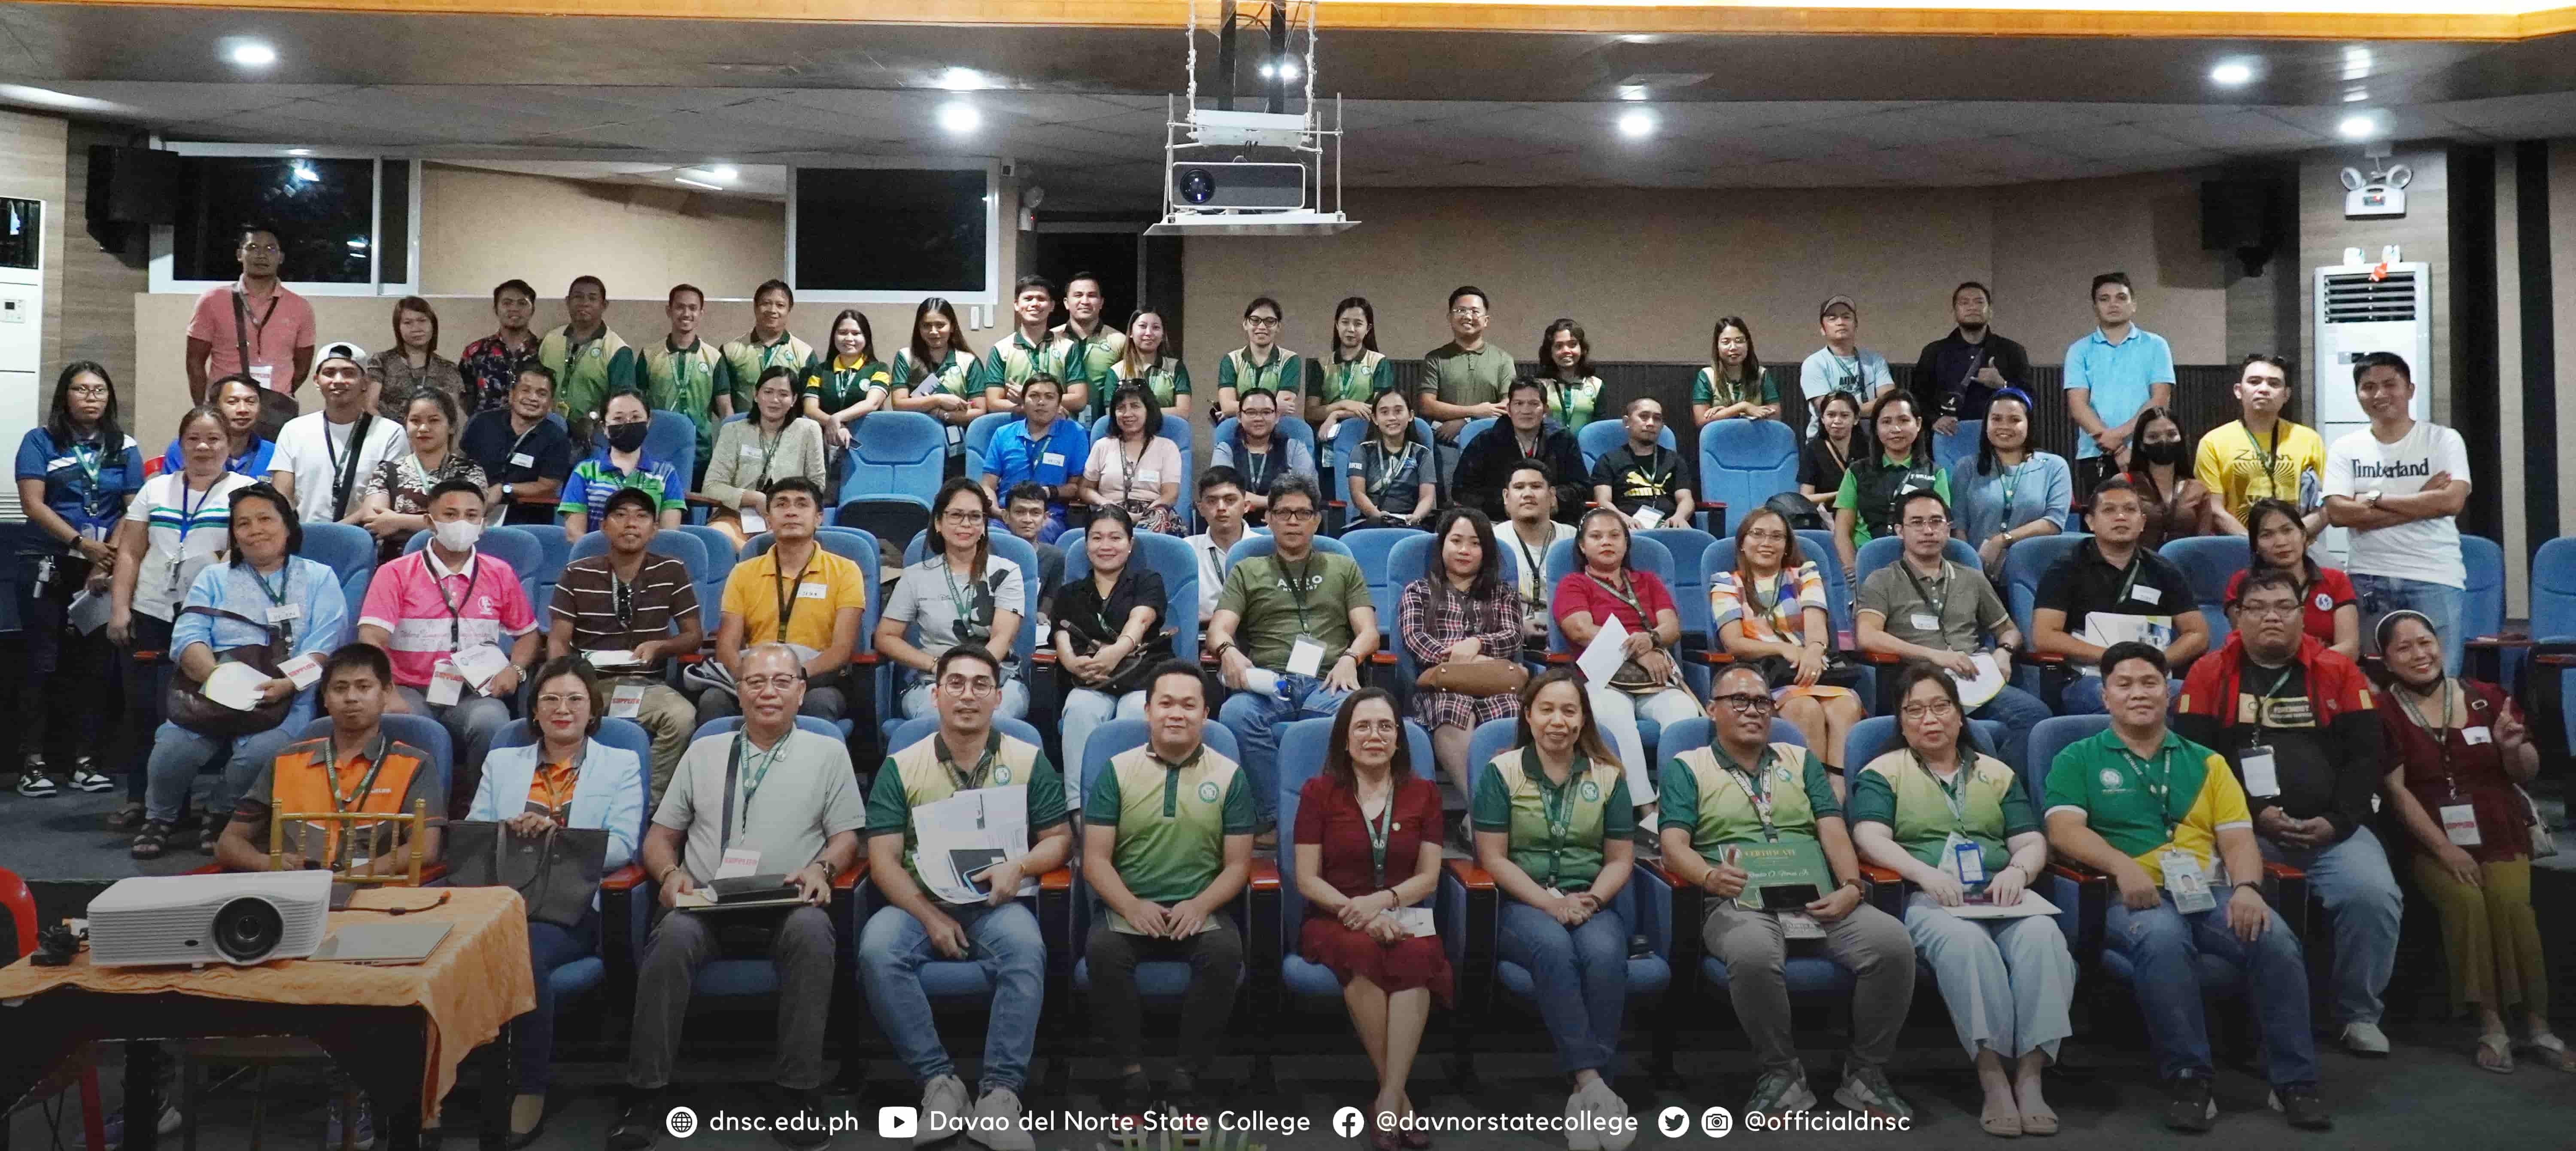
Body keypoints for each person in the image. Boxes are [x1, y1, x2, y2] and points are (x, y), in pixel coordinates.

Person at [2043, 642, 2329, 1133]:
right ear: (2105, 696)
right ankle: (2189, 1077)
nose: (2138, 693)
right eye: (2125, 684)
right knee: (2161, 938)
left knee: (2274, 936)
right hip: (2128, 896)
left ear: (2168, 694)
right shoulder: (2078, 757)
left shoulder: (2208, 762)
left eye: (2150, 682)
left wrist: (2247, 888)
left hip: (2209, 890)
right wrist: (2120, 866)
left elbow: (2238, 838)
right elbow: (2064, 830)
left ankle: (2295, 1081)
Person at [609, 643, 860, 1151]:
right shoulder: (704, 750)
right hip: (706, 902)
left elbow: (848, 837)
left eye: (782, 681)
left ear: (802, 690)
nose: (769, 691)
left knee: (814, 931)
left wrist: (823, 867)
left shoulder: (828, 751)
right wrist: (669, 873)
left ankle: (799, 1092)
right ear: (739, 691)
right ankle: (647, 1093)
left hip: (786, 901)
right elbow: (660, 837)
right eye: (756, 681)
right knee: (673, 934)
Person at [1661, 663, 1916, 1122]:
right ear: (1713, 710)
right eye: (1739, 701)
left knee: (1892, 943)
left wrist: (1853, 887)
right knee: (1753, 950)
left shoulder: (1800, 760)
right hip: (1737, 898)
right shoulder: (1689, 766)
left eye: (1761, 701)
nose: (1752, 710)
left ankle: (1865, 1073)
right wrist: (1706, 876)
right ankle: (1781, 1073)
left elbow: (1833, 828)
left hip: (1816, 899)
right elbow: (1673, 845)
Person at [2176, 567, 2400, 1056]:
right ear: (2236, 617)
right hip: (2243, 831)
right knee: (2249, 910)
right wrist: (2253, 816)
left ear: (2303, 616)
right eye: (2257, 608)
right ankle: (2258, 1021)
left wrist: (2338, 821)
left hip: (2333, 829)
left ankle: (2357, 1012)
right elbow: (2195, 764)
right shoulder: (2209, 671)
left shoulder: (2338, 671)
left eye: (2284, 607)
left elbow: (2367, 759)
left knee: (2374, 896)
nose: (2271, 617)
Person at [860, 646, 1071, 1151]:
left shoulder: (1027, 759)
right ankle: (940, 1084)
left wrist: (1019, 866)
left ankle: (1000, 1095)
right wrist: (929, 916)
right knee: (877, 948)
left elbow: (1059, 838)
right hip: (918, 902)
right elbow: (884, 859)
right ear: (934, 695)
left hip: (997, 902)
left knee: (1026, 949)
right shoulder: (901, 765)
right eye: (955, 683)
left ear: (999, 697)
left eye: (981, 684)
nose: (968, 695)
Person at [1849, 664, 2069, 1136]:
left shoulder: (1996, 772)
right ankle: (1992, 1077)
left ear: (1960, 713)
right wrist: (1923, 873)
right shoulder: (1882, 772)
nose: (1930, 719)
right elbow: (1868, 835)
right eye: (1915, 710)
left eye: (1940, 706)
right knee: (1968, 944)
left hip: (2002, 892)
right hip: (1933, 898)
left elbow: (2031, 839)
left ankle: (2031, 1076)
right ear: (1901, 721)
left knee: (2044, 937)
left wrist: (2019, 869)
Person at [2374, 610, 2569, 1073]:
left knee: (2512, 904)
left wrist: (2509, 747)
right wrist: (2444, 849)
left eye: (2425, 642)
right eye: (2405, 648)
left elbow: (2527, 772)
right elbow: (2397, 792)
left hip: (2500, 827)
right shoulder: (2382, 712)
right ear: (2386, 659)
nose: (2419, 654)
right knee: (2467, 903)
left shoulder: (2487, 697)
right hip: (2431, 838)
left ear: (2439, 644)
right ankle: (2492, 1024)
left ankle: (2539, 1026)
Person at [466, 656, 646, 1143]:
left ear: (593, 710)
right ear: (534, 709)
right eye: (550, 699)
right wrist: (510, 829)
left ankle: (528, 1085)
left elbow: (624, 845)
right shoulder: (504, 760)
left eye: (574, 700)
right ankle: (445, 1081)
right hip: (501, 898)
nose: (562, 709)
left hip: (572, 906)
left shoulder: (621, 762)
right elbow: (477, 833)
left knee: (522, 950)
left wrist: (555, 834)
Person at [1471, 670, 1641, 1148]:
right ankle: (1593, 1082)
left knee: (1606, 954)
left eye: (1569, 710)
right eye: (1547, 709)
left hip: (1588, 899)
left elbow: (1620, 859)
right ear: (1528, 715)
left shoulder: (1608, 777)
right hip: (1524, 902)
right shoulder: (1501, 772)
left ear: (1583, 717)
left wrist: (1592, 899)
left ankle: (1586, 1094)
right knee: (1553, 950)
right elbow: (1494, 858)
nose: (1558, 721)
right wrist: (1549, 903)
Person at [136, 484, 348, 856]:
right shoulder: (213, 578)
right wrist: (218, 678)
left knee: (262, 750)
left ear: (288, 526)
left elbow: (324, 646)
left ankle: (222, 814)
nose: (255, 530)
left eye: (266, 519)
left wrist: (285, 685)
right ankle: (161, 817)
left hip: (287, 690)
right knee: (173, 746)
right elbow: (188, 637)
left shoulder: (319, 577)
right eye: (243, 523)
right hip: (215, 683)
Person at [1082, 661, 1253, 1116]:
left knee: (1224, 952)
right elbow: (1095, 860)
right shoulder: (1116, 771)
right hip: (1128, 905)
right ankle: (1132, 1078)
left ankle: (1186, 1079)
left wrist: (1200, 905)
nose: (1176, 714)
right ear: (1148, 710)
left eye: (1188, 704)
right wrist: (1131, 906)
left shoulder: (1230, 775)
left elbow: (1238, 866)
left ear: (1206, 713)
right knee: (1102, 951)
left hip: (1200, 907)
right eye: (1166, 703)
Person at [1294, 689, 1451, 1148]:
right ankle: (1399, 1100)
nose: (1374, 736)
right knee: (1363, 951)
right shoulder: (1318, 792)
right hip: (1333, 916)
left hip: (1404, 910)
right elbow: (1307, 879)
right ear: (1345, 739)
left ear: (1400, 739)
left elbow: (1429, 876)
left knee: (1418, 953)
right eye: (1362, 726)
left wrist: (1381, 902)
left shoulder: (1423, 793)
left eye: (1385, 726)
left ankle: (1386, 1098)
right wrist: (1359, 913)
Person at [109, 407, 258, 829]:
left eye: (214, 439)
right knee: (145, 710)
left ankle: (211, 805)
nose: (203, 447)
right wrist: (120, 608)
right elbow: (131, 552)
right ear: (180, 444)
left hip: (215, 619)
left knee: (203, 713)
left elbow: (255, 552)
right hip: (152, 611)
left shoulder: (247, 491)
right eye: (193, 438)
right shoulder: (155, 490)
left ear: (229, 446)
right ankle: (142, 800)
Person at [1210, 474, 1377, 843]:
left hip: (1329, 679)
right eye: (1283, 512)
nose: (1293, 521)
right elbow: (1218, 630)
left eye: (1303, 513)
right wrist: (1228, 652)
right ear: (1267, 518)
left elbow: (1369, 632)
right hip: (1269, 682)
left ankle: (1336, 815)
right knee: (1236, 714)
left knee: (1362, 717)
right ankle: (1276, 817)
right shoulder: (1247, 570)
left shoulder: (1343, 568)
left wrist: (1351, 657)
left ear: (1318, 519)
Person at [13, 360, 143, 796]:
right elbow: (34, 504)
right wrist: (79, 544)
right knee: (44, 664)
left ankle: (85, 761)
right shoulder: (40, 441)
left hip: (101, 569)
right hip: (48, 563)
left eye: (100, 390)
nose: (91, 397)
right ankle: (34, 762)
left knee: (93, 667)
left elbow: (133, 509)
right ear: (64, 396)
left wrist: (104, 561)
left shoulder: (124, 445)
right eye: (81, 389)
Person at [357, 478, 540, 785]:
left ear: (483, 525)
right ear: (430, 522)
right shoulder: (395, 573)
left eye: (471, 517)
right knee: (410, 724)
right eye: (451, 515)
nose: (462, 524)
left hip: (473, 693)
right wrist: (386, 690)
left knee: (492, 721)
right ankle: (422, 818)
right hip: (408, 688)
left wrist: (516, 669)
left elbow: (528, 634)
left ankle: (477, 814)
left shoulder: (499, 573)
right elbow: (372, 638)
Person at [214, 641, 444, 878]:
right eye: (340, 688)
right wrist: (268, 863)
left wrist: (350, 878)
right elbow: (229, 843)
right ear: (325, 697)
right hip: (295, 892)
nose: (351, 698)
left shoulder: (415, 764)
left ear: (386, 693)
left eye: (364, 687)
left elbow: (425, 849)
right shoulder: (285, 761)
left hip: (375, 894)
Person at [1856, 492, 2047, 767]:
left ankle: (2006, 788)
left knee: (2036, 716)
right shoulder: (1883, 580)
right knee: (1967, 731)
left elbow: (2010, 631)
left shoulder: (1971, 578)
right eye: (1917, 523)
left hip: (1973, 678)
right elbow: (1868, 636)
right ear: (1900, 531)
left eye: (1936, 522)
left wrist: (2004, 652)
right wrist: (1934, 656)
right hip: (1918, 680)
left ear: (1948, 528)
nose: (1928, 531)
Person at [546, 487, 705, 803]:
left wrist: (660, 646)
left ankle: (649, 804)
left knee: (682, 717)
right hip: (591, 683)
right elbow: (558, 639)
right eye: (620, 516)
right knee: (556, 709)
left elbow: (693, 635)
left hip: (646, 685)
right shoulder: (577, 572)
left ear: (655, 529)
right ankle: (568, 801)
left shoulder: (671, 570)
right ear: (604, 527)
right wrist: (562, 682)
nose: (631, 523)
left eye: (642, 516)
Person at [2323, 351, 2472, 673]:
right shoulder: (2345, 448)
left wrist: (2372, 499)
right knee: (2373, 686)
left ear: (2410, 389)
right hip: (2367, 578)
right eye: (2368, 387)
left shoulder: (2443, 440)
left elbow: (2450, 503)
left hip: (2434, 577)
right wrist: (2422, 500)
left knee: (2438, 680)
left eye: (2390, 384)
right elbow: (2337, 513)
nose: (2379, 394)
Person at [2030, 478, 2210, 714]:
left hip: (2151, 675)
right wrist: (2113, 659)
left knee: (2192, 698)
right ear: (2091, 522)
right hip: (2089, 676)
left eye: (2130, 510)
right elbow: (2044, 636)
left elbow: (2197, 634)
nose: (2121, 517)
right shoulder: (2065, 568)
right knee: (2119, 699)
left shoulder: (2163, 570)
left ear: (2143, 522)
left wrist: (2158, 662)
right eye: (2109, 510)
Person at [1715, 505, 1864, 784]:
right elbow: (1734, 643)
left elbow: (1817, 627)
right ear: (1743, 543)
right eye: (1757, 535)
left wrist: (1815, 650)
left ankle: (1839, 796)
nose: (1767, 543)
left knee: (1846, 706)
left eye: (1776, 537)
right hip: (1763, 676)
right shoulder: (1726, 583)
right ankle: (1811, 793)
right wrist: (1785, 649)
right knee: (1804, 708)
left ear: (1786, 546)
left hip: (1814, 668)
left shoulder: (1805, 573)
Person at [1552, 509, 1687, 808]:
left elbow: (1671, 627)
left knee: (1684, 715)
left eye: (1615, 535)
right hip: (1602, 679)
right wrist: (1640, 652)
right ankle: (1644, 807)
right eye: (1596, 536)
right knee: (1615, 719)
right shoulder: (1574, 584)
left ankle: (1676, 806)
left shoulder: (1648, 581)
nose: (1606, 542)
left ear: (1627, 543)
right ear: (1582, 546)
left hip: (1655, 677)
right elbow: (1581, 630)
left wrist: (1650, 639)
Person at [702, 477, 865, 726]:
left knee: (819, 704)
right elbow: (727, 647)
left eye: (802, 504)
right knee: (713, 701)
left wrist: (794, 677)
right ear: (768, 520)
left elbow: (842, 649)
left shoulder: (846, 571)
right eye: (781, 505)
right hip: (755, 674)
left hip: (813, 678)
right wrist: (751, 680)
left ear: (819, 518)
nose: (791, 512)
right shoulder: (744, 572)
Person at [880, 479, 1029, 722]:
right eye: (956, 515)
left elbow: (1003, 638)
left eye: (975, 517)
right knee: (935, 715)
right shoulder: (915, 576)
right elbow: (886, 637)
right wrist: (935, 665)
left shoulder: (1007, 572)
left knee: (993, 715)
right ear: (939, 523)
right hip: (934, 679)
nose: (966, 524)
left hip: (996, 677)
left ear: (984, 525)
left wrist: (970, 677)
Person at [1399, 508, 1525, 797]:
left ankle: (1509, 803)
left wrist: (1478, 645)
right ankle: (1480, 809)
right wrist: (1461, 659)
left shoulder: (1502, 593)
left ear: (1486, 551)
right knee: (1451, 708)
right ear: (1442, 545)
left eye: (1475, 543)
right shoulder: (1418, 591)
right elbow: (1415, 639)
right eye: (1456, 541)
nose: (1464, 550)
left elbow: (1512, 636)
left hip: (1495, 686)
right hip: (1441, 688)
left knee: (1512, 711)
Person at [1054, 506, 1170, 798]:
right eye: (1097, 538)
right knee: (1080, 710)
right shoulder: (1071, 592)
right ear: (1086, 545)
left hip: (1140, 677)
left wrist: (1116, 652)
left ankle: (1133, 804)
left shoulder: (1148, 581)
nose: (1105, 546)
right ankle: (1079, 806)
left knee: (1134, 712)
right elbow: (1061, 634)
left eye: (1115, 538)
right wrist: (1071, 663)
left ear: (1130, 545)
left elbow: (1141, 619)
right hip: (1090, 679)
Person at [267, 341, 406, 527]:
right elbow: (282, 497)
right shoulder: (294, 431)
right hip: (306, 540)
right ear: (317, 381)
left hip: (364, 543)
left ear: (365, 382)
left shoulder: (391, 433)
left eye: (349, 373)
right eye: (329, 373)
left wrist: (335, 534)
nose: (339, 380)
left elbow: (388, 502)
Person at [183, 223, 313, 419]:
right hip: (224, 408)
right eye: (253, 248)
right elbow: (195, 361)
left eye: (270, 249)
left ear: (281, 258)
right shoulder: (212, 300)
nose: (261, 255)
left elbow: (303, 366)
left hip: (276, 409)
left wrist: (278, 390)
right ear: (239, 254)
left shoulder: (300, 307)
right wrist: (203, 409)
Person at [2061, 272, 2176, 484]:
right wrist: (2117, 447)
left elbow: (2160, 400)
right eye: (2104, 299)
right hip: (2096, 454)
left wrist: (2119, 440)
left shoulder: (2156, 345)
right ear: (2095, 307)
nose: (2113, 304)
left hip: (2147, 448)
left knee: (2150, 515)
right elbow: (2078, 407)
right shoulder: (2079, 350)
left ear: (2134, 305)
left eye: (2121, 298)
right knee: (2100, 515)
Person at [2199, 354, 2327, 536]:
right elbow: (2215, 510)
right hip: (2237, 547)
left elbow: (2325, 506)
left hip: (2299, 546)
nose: (2264, 389)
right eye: (2254, 382)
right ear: (2239, 391)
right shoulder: (2213, 443)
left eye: (2274, 384)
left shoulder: (2310, 440)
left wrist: (2293, 539)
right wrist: (2255, 546)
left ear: (2286, 395)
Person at [1948, 388, 2070, 579]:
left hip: (2033, 572)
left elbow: (2054, 523)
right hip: (1977, 572)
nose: (2004, 426)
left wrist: (2002, 540)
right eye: (1996, 419)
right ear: (1986, 424)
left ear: (2029, 424)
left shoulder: (2054, 466)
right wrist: (1969, 570)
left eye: (2015, 420)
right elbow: (1959, 527)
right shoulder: (1967, 466)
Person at [705, 366, 829, 551]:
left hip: (790, 514)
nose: (775, 400)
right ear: (756, 395)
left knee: (788, 545)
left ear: (794, 399)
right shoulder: (733, 430)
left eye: (783, 394)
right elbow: (711, 487)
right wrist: (754, 499)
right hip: (737, 516)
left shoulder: (809, 430)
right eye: (768, 392)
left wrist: (783, 504)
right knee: (716, 536)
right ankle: (750, 562)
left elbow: (817, 484)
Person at [357, 388, 488, 561]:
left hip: (455, 562)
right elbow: (375, 520)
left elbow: (466, 524)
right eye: (415, 421)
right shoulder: (387, 471)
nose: (424, 428)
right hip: (397, 563)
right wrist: (442, 522)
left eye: (434, 421)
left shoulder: (469, 471)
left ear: (451, 427)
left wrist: (398, 522)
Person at [2227, 499, 2360, 660]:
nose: (2281, 542)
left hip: (2328, 676)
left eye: (2287, 530)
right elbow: (2248, 648)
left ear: (2303, 535)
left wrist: (2304, 666)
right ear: (2255, 546)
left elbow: (2350, 649)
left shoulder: (2336, 580)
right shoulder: (2242, 583)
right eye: (2267, 535)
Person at [1833, 393, 1947, 581]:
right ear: (1876, 428)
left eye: (1903, 420)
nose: (1895, 429)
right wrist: (1854, 572)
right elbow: (1842, 533)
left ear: (1918, 424)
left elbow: (1941, 530)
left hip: (1920, 569)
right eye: (1886, 422)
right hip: (1867, 567)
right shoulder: (1856, 472)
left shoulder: (1935, 473)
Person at [1909, 282, 2031, 449]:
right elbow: (1917, 398)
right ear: (1955, 312)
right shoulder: (1934, 352)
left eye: (1979, 302)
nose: (1972, 307)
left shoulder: (2012, 351)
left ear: (1990, 311)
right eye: (1964, 303)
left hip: (2001, 440)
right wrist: (1935, 419)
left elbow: (2030, 398)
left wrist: (2003, 386)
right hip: (1947, 440)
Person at [1455, 378, 1587, 525]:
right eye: (1519, 404)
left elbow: (1581, 487)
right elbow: (1462, 491)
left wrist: (1555, 500)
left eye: (1534, 404)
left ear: (1545, 410)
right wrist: (1506, 504)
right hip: (1498, 522)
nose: (1526, 410)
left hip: (1553, 520)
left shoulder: (1563, 439)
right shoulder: (1485, 442)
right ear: (1509, 410)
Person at [1417, 286, 1514, 483]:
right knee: (1448, 503)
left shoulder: (1503, 359)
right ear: (1450, 318)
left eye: (1475, 311)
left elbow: (1509, 406)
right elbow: (1427, 405)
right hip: (1444, 442)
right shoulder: (1435, 358)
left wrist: (1466, 421)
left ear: (1486, 320)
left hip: (1490, 444)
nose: (1468, 316)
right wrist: (1476, 410)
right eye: (1460, 311)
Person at [559, 391, 685, 538]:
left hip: (650, 559)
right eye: (618, 419)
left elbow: (669, 535)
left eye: (636, 417)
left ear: (648, 422)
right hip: (596, 558)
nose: (628, 423)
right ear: (604, 427)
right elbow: (575, 534)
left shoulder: (666, 473)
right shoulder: (585, 472)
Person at [462, 365, 574, 528]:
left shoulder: (557, 438)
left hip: (526, 518)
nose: (533, 398)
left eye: (542, 394)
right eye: (526, 390)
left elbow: (547, 486)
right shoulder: (481, 423)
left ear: (551, 403)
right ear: (512, 394)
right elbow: (461, 462)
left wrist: (505, 489)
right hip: (469, 509)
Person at [980, 372, 1089, 540]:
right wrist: (998, 513)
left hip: (1048, 517)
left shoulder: (1074, 433)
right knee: (991, 536)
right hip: (1005, 516)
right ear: (1023, 402)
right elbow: (988, 485)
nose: (1041, 402)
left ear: (1059, 404)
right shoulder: (1003, 434)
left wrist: (1048, 492)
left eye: (1049, 397)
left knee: (1041, 532)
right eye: (1034, 396)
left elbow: (1076, 488)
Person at [635, 283, 725, 484]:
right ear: (669, 310)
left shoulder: (714, 357)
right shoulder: (649, 355)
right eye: (680, 307)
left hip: (700, 452)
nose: (686, 314)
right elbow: (637, 405)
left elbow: (726, 409)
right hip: (657, 449)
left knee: (696, 509)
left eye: (693, 308)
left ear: (701, 313)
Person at [540, 275, 638, 436]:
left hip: (594, 433)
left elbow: (623, 399)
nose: (584, 303)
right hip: (548, 428)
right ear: (567, 301)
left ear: (604, 305)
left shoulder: (618, 350)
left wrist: (593, 417)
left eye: (592, 298)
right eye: (578, 297)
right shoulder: (551, 339)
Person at [1083, 382, 1185, 536]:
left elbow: (1170, 495)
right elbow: (1085, 489)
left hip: (1153, 514)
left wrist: (1143, 516)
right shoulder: (1102, 446)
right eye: (1121, 408)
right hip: (1110, 514)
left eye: (1135, 406)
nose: (1127, 413)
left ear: (1149, 411)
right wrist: (1104, 503)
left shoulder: (1167, 447)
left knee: (1159, 518)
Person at [891, 296, 990, 452]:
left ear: (952, 327)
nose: (933, 332)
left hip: (957, 445)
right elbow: (898, 405)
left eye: (940, 325)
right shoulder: (906, 358)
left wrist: (941, 414)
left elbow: (980, 411)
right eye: (926, 326)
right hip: (915, 442)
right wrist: (938, 399)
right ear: (919, 328)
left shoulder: (969, 361)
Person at [1212, 387, 1320, 529]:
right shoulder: (1225, 449)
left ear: (1277, 417)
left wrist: (1277, 512)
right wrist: (1271, 503)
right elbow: (1223, 492)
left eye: (1266, 412)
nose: (1259, 418)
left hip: (1286, 522)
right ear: (1239, 417)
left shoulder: (1294, 449)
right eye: (1251, 413)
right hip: (1236, 527)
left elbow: (1307, 493)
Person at [1498, 460, 1575, 656]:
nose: (1528, 494)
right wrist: (1519, 627)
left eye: (1536, 487)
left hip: (1569, 639)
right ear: (1506, 497)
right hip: (1510, 643)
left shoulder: (1574, 540)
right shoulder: (1492, 541)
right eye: (1519, 487)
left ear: (1552, 496)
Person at [1587, 397, 1695, 531]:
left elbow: (1686, 499)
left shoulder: (1675, 460)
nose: (1651, 423)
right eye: (1644, 417)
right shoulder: (1608, 461)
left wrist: (1680, 517)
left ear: (1662, 426)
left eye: (1657, 419)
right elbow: (1602, 501)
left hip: (1669, 527)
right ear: (1627, 422)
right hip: (1626, 528)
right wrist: (1622, 519)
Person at [716, 280, 813, 423]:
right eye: (766, 304)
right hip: (744, 431)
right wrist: (734, 430)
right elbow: (723, 402)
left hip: (789, 433)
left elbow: (808, 404)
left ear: (789, 310)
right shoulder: (730, 351)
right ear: (755, 308)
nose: (773, 310)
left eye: (780, 305)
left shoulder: (805, 354)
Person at [1799, 295, 1896, 431]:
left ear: (1856, 325)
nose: (1841, 322)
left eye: (1846, 317)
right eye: (1833, 318)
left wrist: (1848, 412)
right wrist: (1868, 409)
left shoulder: (1875, 360)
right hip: (1828, 436)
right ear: (1823, 328)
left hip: (1872, 436)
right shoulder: (1814, 363)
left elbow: (1889, 399)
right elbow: (1828, 409)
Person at [2121, 406, 2214, 549]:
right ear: (2141, 445)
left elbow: (2203, 544)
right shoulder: (2123, 484)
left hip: (2184, 567)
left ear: (2182, 439)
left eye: (2172, 435)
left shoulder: (2199, 490)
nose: (2164, 441)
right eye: (2153, 437)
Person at [1344, 389, 1436, 530]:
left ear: (1410, 416)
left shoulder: (1423, 454)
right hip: (1372, 520)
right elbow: (1357, 493)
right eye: (1384, 412)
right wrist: (1376, 515)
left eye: (1398, 411)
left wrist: (1416, 517)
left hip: (1411, 522)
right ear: (1375, 419)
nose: (1392, 418)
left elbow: (1427, 497)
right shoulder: (1362, 451)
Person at [802, 309, 892, 452]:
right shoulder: (820, 370)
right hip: (827, 442)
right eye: (843, 333)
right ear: (834, 337)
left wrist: (837, 418)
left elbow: (872, 403)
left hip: (867, 443)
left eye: (856, 334)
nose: (849, 339)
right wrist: (836, 425)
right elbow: (810, 408)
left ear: (866, 338)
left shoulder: (879, 368)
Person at [980, 275, 1067, 417]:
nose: (1035, 304)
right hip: (1015, 429)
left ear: (1052, 306)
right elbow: (993, 403)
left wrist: (1026, 397)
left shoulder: (1068, 347)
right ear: (1016, 304)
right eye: (1028, 299)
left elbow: (1079, 400)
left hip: (1060, 428)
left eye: (1041, 299)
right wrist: (1031, 403)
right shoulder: (1001, 350)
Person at [368, 296, 464, 423]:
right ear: (398, 328)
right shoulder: (381, 361)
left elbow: (449, 416)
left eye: (422, 320)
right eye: (408, 323)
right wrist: (393, 436)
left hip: (430, 437)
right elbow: (370, 407)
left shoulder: (448, 368)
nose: (417, 328)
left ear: (433, 325)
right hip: (389, 438)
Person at [159, 374, 275, 478]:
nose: (243, 410)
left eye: (251, 401)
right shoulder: (186, 448)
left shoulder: (274, 453)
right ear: (215, 407)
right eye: (232, 402)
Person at [1311, 297, 1391, 442]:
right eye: (1345, 323)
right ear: (1337, 325)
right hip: (1326, 432)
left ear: (1368, 328)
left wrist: (1337, 414)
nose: (1351, 329)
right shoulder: (1322, 364)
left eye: (1358, 324)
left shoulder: (1379, 362)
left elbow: (1379, 410)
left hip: (1364, 431)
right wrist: (1344, 404)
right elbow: (1311, 413)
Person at [458, 278, 542, 416]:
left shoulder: (544, 351)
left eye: (522, 303)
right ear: (496, 309)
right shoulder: (476, 352)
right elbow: (464, 398)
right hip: (485, 432)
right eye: (507, 303)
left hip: (533, 432)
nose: (514, 309)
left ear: (532, 310)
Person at [1185, 466, 1257, 624]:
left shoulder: (1265, 548)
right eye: (1212, 501)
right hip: (1201, 637)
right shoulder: (1186, 551)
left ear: (1246, 506)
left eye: (1230, 500)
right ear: (1201, 509)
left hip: (1258, 637)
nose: (1221, 508)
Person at [1049, 270, 1124, 417]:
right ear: (1066, 303)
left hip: (1105, 427)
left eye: (1092, 296)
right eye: (1078, 295)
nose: (1085, 301)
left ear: (1101, 303)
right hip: (1058, 423)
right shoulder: (1051, 339)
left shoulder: (1120, 341)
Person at [1214, 296, 1300, 420]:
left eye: (1270, 321)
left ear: (1279, 327)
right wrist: (1275, 406)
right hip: (1239, 422)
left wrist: (1238, 408)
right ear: (1245, 324)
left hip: (1277, 422)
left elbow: (1285, 407)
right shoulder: (1231, 360)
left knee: (1302, 431)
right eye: (1255, 320)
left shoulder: (1290, 359)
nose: (1262, 327)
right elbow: (1227, 407)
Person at [1692, 316, 1783, 426]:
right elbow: (1701, 420)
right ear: (1717, 346)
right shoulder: (1707, 375)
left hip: (1756, 439)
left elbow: (1775, 416)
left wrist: (1724, 413)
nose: (1733, 347)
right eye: (1726, 342)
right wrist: (1744, 407)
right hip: (1721, 440)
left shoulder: (1761, 374)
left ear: (1748, 344)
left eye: (1739, 341)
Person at [997, 483, 1067, 619]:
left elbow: (1050, 596)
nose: (1028, 520)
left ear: (1045, 519)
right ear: (1006, 516)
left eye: (1035, 513)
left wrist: (1043, 614)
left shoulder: (1055, 557)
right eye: (1020, 512)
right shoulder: (992, 552)